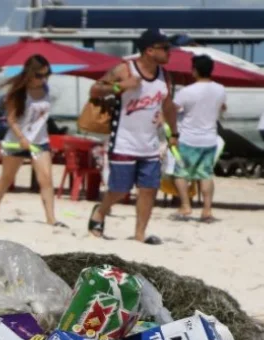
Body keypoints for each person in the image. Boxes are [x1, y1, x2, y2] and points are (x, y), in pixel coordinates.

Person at [87, 28, 178, 244]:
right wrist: (120, 86)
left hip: (150, 144)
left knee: (149, 190)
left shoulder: (165, 76)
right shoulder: (124, 69)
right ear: (149, 50)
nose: (169, 52)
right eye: (165, 48)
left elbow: (168, 106)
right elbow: (94, 89)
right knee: (119, 190)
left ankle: (139, 235)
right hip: (124, 141)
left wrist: (174, 133)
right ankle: (100, 211)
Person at [0, 54, 61, 227]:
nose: (43, 79)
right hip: (16, 141)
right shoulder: (18, 92)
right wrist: (22, 138)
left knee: (46, 179)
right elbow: (11, 119)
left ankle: (51, 219)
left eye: (46, 75)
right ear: (29, 73)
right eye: (39, 75)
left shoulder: (46, 90)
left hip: (40, 141)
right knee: (7, 178)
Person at [172, 54, 226, 222]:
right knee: (206, 175)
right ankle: (207, 210)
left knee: (180, 173)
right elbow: (222, 107)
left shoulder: (186, 91)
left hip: (189, 138)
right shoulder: (220, 89)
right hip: (209, 137)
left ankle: (186, 205)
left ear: (194, 70)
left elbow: (172, 111)